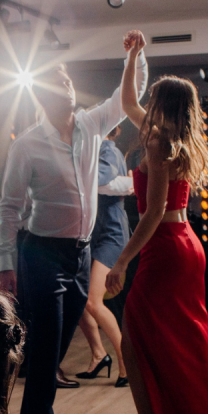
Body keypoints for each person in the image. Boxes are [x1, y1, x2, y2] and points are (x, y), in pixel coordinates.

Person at [0, 30, 148, 414]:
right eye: (58, 82)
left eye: (67, 79)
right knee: (46, 344)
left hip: (80, 254)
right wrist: (5, 263)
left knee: (56, 346)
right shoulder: (27, 145)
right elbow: (8, 209)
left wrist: (136, 57)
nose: (67, 86)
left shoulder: (92, 125)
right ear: (43, 95)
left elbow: (127, 97)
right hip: (41, 253)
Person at [106, 36, 208, 414]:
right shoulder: (175, 140)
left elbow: (151, 214)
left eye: (154, 98)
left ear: (162, 105)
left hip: (165, 248)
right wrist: (134, 56)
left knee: (135, 344)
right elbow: (127, 101)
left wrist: (122, 261)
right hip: (187, 245)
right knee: (181, 345)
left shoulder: (157, 144)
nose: (145, 104)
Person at [76, 125, 132, 387]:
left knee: (93, 302)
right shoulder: (99, 151)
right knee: (78, 300)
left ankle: (127, 364)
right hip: (98, 236)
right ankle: (99, 355)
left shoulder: (107, 149)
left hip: (112, 235)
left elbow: (97, 179)